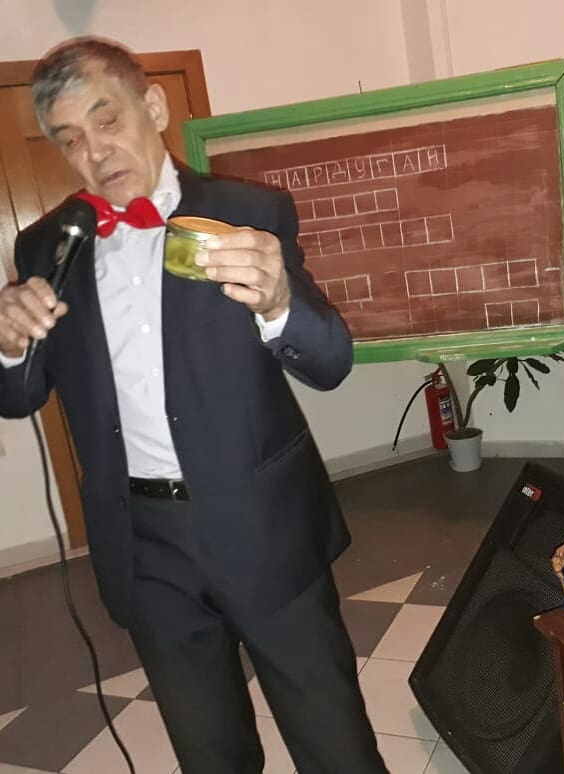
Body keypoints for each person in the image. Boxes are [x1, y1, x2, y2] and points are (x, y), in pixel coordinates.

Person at [0, 37, 387, 774]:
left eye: (107, 120)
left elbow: (330, 363)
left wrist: (278, 302)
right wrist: (8, 344)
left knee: (334, 741)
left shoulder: (249, 213)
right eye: (71, 139)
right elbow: (18, 395)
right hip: (142, 542)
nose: (95, 152)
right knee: (209, 753)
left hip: (263, 523)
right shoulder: (47, 245)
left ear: (153, 107)